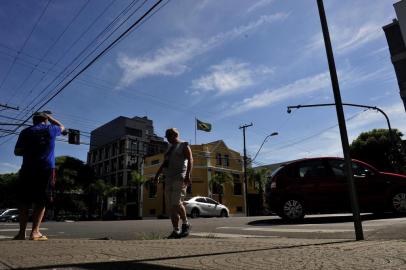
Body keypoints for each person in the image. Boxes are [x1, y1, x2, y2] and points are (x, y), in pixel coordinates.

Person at [13, 111, 65, 240]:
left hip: (27, 168)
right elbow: (62, 127)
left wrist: (30, 152)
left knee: (24, 200)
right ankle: (35, 232)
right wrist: (51, 118)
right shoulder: (51, 129)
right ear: (45, 120)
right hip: (46, 168)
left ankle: (21, 233)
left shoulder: (25, 132)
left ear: (33, 121)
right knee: (41, 200)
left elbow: (17, 151)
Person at [154, 128, 193, 238]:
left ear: (174, 135)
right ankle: (176, 230)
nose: (167, 139)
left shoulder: (184, 145)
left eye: (168, 136)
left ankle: (186, 224)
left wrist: (188, 175)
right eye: (166, 137)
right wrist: (157, 175)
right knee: (171, 207)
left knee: (176, 203)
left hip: (179, 177)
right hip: (168, 179)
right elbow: (164, 164)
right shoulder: (169, 149)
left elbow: (190, 159)